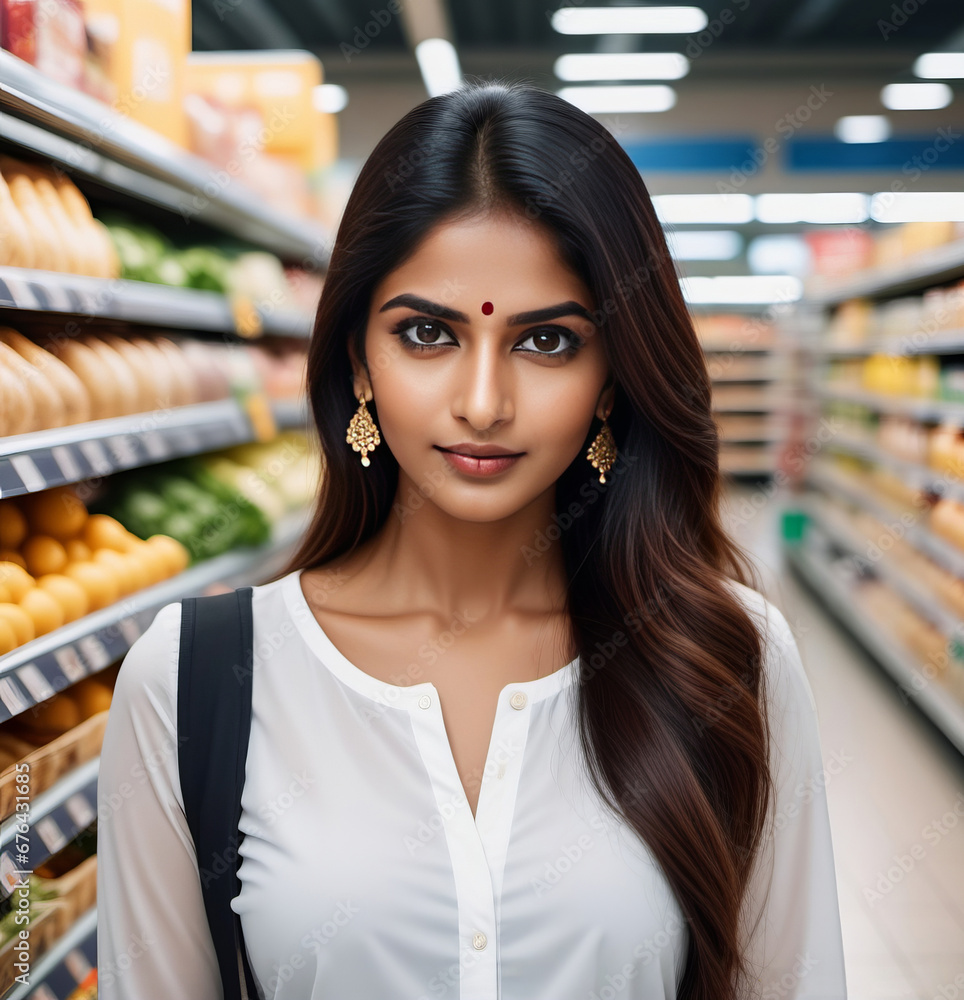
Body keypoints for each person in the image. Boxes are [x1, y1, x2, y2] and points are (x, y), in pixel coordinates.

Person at [96, 78, 847, 1000]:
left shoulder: (731, 660)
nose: (483, 404)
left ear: (613, 379)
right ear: (356, 362)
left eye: (547, 344)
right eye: (425, 333)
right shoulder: (193, 685)